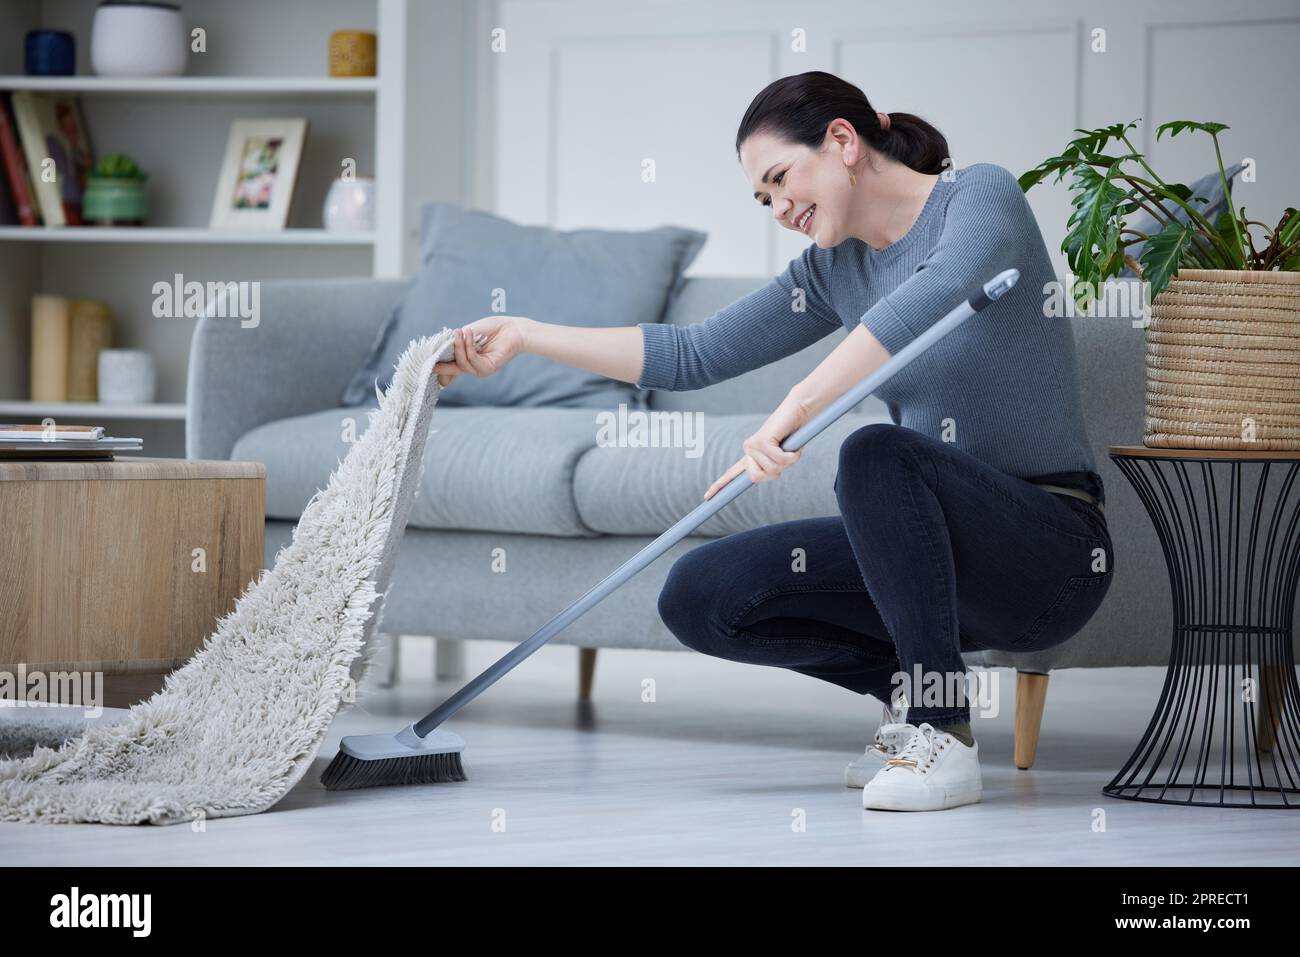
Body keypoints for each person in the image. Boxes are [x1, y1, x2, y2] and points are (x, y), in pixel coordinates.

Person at [432, 71, 1113, 812]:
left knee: (874, 452)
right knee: (701, 593)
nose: (779, 207)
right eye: (764, 198)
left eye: (781, 178)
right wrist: (528, 334)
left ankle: (940, 729)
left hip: (1048, 556)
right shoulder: (832, 269)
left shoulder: (978, 197)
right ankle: (912, 688)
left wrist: (800, 400)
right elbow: (692, 352)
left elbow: (939, 289)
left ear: (844, 141)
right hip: (934, 561)